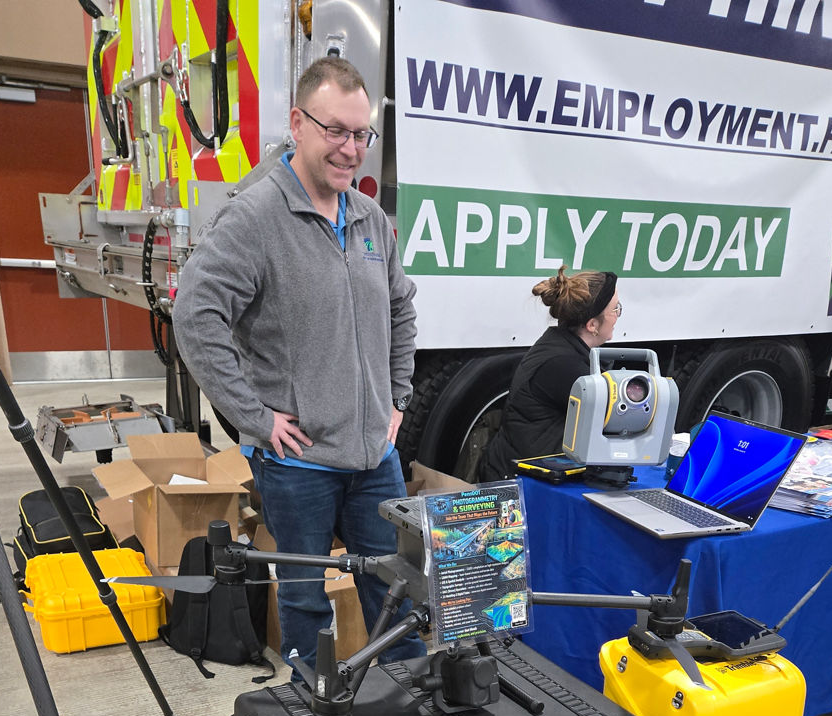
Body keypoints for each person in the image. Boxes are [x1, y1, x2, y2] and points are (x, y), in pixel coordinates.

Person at [172, 56, 425, 676]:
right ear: (298, 123)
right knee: (307, 599)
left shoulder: (370, 220)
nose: (350, 148)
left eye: (361, 134)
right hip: (300, 463)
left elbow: (402, 309)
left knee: (399, 588)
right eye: (335, 130)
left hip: (375, 461)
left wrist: (396, 399)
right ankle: (314, 714)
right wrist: (254, 417)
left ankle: (411, 706)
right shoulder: (257, 217)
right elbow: (196, 316)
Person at [479, 266, 622, 481]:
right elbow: (617, 417)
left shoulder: (560, 347)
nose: (618, 315)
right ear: (592, 324)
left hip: (518, 469)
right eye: (615, 309)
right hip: (522, 484)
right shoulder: (564, 365)